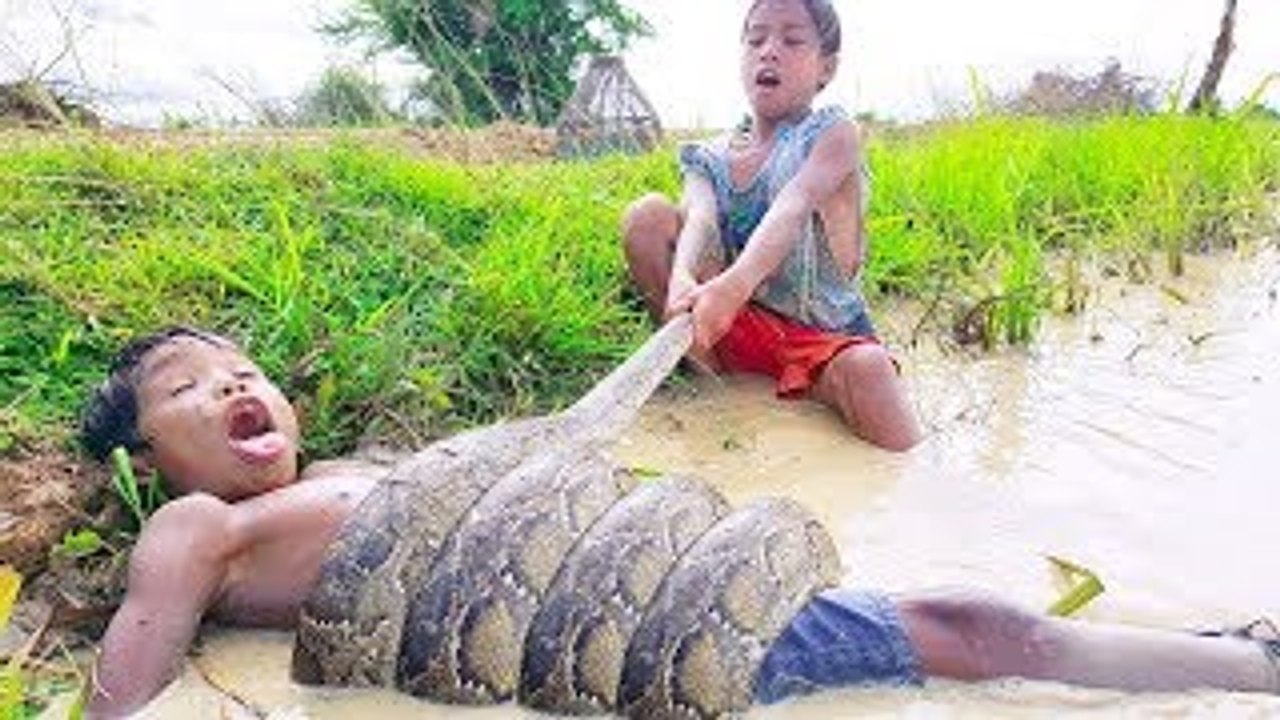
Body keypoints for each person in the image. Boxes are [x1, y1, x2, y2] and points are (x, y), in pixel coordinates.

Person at [79, 326, 1279, 718]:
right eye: (186, 387)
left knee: (967, 622)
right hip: (627, 637)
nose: (232, 386)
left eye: (241, 368)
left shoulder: (347, 470)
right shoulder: (191, 525)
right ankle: (1243, 665)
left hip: (648, 577)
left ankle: (1228, 657)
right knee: (973, 624)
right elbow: (125, 687)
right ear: (146, 455)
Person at [621, 0, 920, 451]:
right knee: (646, 216)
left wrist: (733, 285)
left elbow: (793, 205)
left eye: (792, 40)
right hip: (729, 325)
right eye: (756, 39)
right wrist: (682, 277)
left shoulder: (833, 135)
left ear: (827, 68)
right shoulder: (710, 155)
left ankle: (909, 475)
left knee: (870, 370)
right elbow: (698, 216)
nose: (769, 51)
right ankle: (709, 385)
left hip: (822, 338)